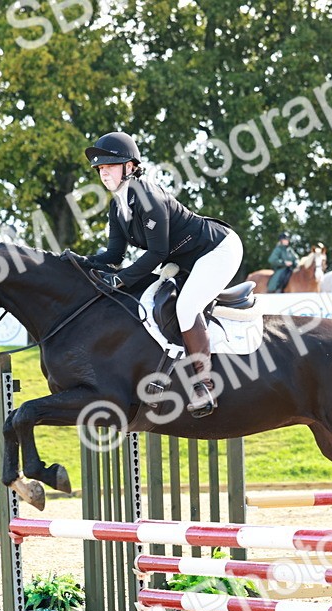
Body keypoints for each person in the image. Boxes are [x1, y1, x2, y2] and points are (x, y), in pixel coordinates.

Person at [72, 131, 242, 418]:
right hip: (185, 258)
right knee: (150, 301)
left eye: (110, 166)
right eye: (100, 168)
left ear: (130, 167)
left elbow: (157, 253)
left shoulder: (148, 196)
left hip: (217, 250)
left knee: (186, 306)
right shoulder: (118, 206)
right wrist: (80, 262)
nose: (103, 173)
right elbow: (114, 256)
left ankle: (204, 385)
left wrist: (121, 279)